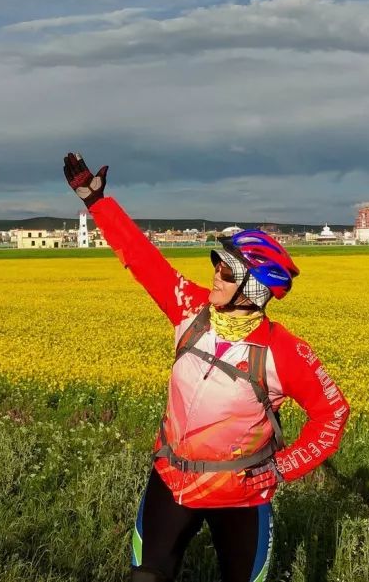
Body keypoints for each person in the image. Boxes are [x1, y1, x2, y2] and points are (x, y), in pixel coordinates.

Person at [63, 152, 350, 582]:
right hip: (171, 479)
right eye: (217, 263)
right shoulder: (189, 309)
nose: (215, 272)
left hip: (240, 495)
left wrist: (282, 467)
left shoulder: (282, 350)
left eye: (228, 270)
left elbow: (332, 413)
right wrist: (96, 202)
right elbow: (142, 259)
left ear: (255, 288)